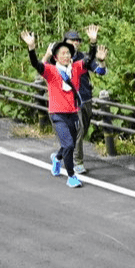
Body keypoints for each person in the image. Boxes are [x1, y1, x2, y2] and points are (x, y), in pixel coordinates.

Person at [20, 25, 108, 188]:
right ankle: (71, 175)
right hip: (57, 113)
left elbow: (89, 61)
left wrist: (93, 42)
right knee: (68, 144)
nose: (67, 55)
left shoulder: (76, 67)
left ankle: (57, 158)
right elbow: (35, 64)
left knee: (71, 143)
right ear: (56, 56)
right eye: (63, 53)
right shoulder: (50, 70)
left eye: (68, 53)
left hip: (73, 112)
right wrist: (31, 47)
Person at [41, 29, 107, 175]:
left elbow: (100, 72)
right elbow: (42, 69)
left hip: (86, 99)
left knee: (79, 133)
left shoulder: (83, 58)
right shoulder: (57, 59)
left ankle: (58, 156)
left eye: (77, 40)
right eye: (72, 40)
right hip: (69, 104)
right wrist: (47, 54)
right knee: (79, 131)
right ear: (64, 42)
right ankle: (77, 162)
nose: (75, 43)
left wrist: (101, 62)